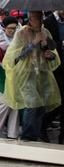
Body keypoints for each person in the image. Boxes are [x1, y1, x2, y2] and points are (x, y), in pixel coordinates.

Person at [4, 9, 61, 141]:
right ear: (30, 19)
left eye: (41, 18)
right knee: (31, 104)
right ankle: (27, 135)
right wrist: (33, 43)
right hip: (26, 74)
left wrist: (49, 52)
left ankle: (37, 132)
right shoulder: (21, 33)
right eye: (37, 18)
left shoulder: (45, 31)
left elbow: (53, 50)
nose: (40, 21)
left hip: (41, 73)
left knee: (41, 105)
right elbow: (15, 56)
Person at [43, 7, 64, 142]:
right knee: (57, 101)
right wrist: (59, 44)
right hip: (55, 66)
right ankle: (43, 125)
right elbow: (46, 44)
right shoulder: (49, 22)